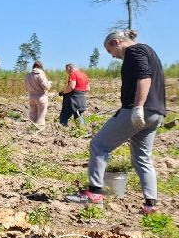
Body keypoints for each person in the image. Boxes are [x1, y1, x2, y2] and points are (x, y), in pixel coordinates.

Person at [67, 29, 166, 213]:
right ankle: (151, 204)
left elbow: (144, 77)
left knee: (99, 145)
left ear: (116, 42)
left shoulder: (134, 52)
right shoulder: (149, 51)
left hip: (138, 110)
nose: (112, 56)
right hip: (156, 112)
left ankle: (94, 193)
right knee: (143, 158)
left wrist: (137, 108)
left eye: (109, 51)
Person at [59, 62, 89, 127]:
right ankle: (81, 130)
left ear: (69, 68)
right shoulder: (84, 75)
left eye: (66, 70)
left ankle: (63, 127)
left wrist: (64, 92)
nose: (67, 72)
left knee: (64, 114)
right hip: (81, 98)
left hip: (72, 99)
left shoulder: (73, 74)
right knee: (79, 114)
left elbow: (72, 86)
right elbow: (88, 88)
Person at [24, 60, 51, 128]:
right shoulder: (40, 75)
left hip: (31, 96)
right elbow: (46, 87)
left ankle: (31, 128)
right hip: (41, 96)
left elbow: (26, 87)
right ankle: (39, 129)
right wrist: (49, 83)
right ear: (41, 67)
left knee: (33, 113)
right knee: (41, 115)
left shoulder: (28, 75)